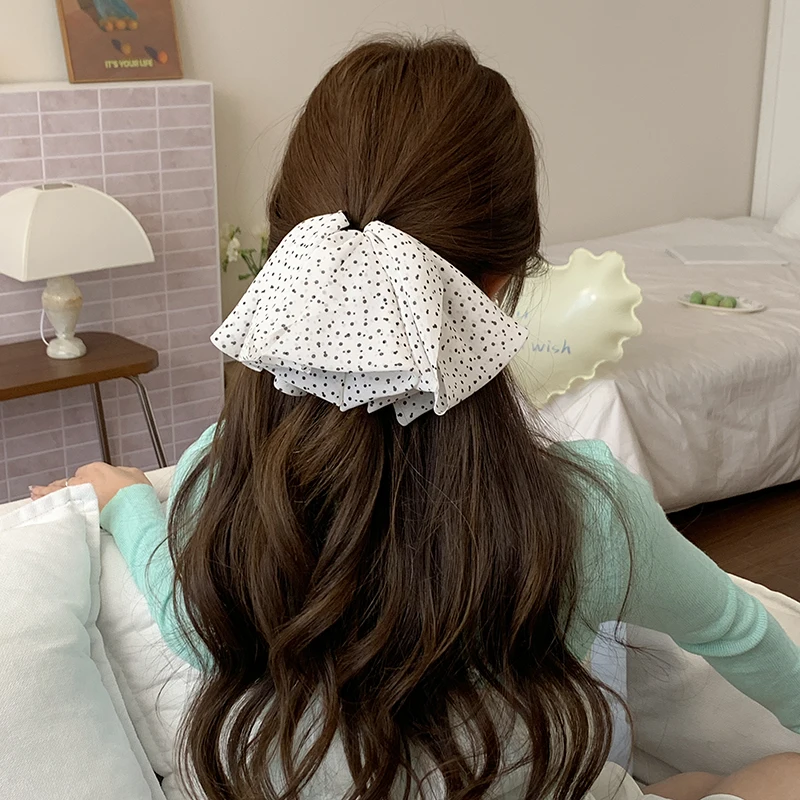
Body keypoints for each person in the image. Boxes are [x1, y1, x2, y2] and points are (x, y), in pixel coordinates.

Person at [32, 37, 800, 800]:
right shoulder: (586, 513)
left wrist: (127, 502)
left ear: (292, 257)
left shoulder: (224, 479)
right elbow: (739, 633)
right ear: (503, 282)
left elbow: (192, 627)